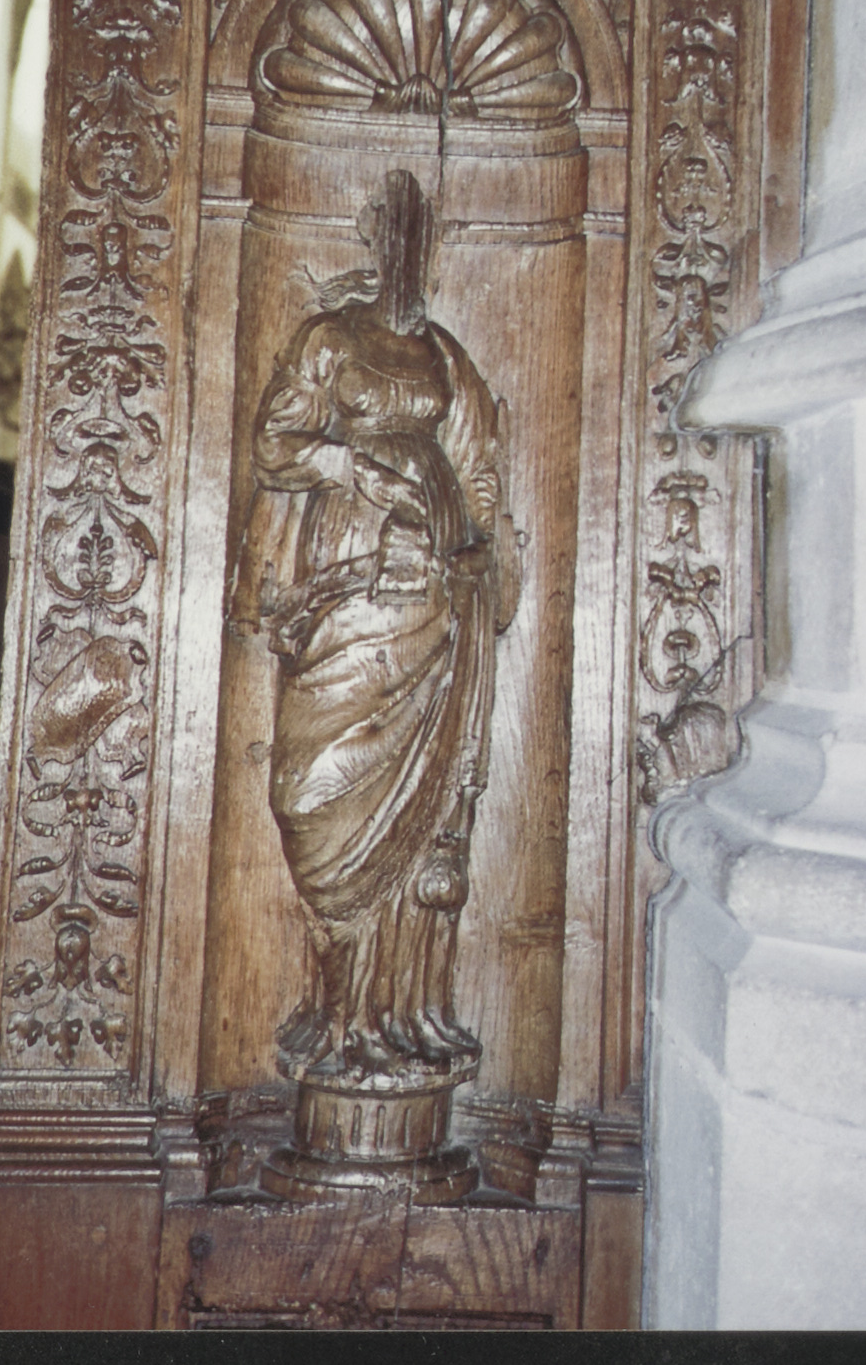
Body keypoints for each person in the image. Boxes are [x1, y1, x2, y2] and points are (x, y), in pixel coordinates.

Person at [228, 170, 520, 1081]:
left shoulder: (443, 356)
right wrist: (351, 467)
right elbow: (275, 444)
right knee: (307, 794)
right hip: (343, 577)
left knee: (427, 810)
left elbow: (476, 463)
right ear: (372, 236)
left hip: (428, 589)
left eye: (419, 237)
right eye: (394, 231)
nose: (407, 251)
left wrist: (469, 540)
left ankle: (397, 1014)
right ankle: (333, 1010)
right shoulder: (329, 340)